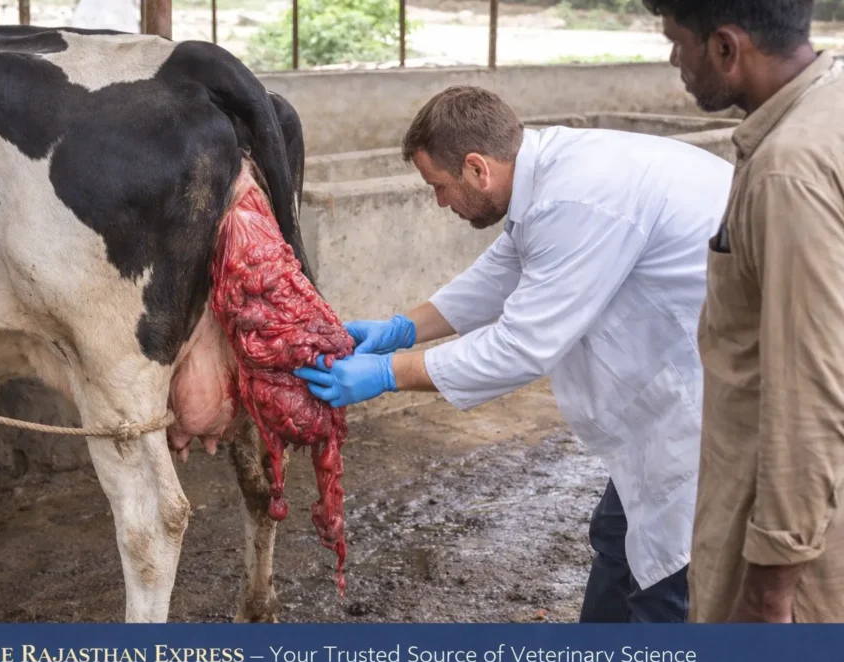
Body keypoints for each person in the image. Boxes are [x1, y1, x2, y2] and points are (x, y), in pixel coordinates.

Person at [293, 85, 733, 622]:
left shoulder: (577, 197)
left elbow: (521, 347)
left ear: (477, 168)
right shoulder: (546, 173)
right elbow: (505, 269)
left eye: (439, 186)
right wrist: (404, 327)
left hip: (708, 405)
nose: (439, 202)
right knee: (620, 543)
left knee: (669, 579)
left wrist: (389, 372)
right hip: (674, 395)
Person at [644, 0, 844, 623]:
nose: (675, 59)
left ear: (726, 48)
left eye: (679, 42)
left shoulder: (788, 172)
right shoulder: (828, 111)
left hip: (800, 561)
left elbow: (811, 393)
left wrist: (768, 589)